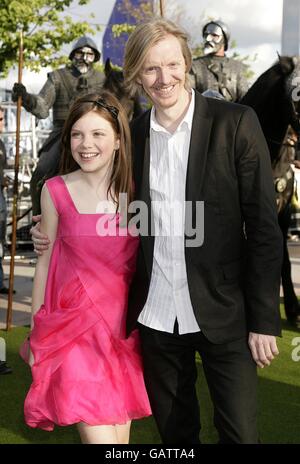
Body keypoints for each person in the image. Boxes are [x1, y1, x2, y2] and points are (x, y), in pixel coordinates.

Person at [32, 18, 283, 444]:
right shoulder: (131, 140)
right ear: (136, 74)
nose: (163, 78)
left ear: (187, 64)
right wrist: (48, 233)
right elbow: (89, 197)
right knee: (175, 437)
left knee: (240, 434)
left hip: (225, 313)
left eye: (171, 65)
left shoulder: (236, 123)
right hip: (153, 319)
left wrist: (264, 320)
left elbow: (262, 226)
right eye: (150, 68)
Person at [21, 91, 151, 444]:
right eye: (77, 134)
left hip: (124, 336)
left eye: (97, 134)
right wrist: (36, 332)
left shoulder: (140, 195)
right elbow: (44, 262)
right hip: (73, 335)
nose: (86, 144)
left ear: (119, 141)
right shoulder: (54, 191)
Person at [12, 36, 105, 216]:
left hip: (96, 134)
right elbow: (42, 108)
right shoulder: (57, 77)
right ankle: (39, 220)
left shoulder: (103, 79)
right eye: (80, 53)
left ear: (95, 57)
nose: (85, 58)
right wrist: (26, 98)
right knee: (40, 173)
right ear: (72, 55)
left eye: (89, 54)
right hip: (62, 134)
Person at [191, 19, 249, 102]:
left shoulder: (237, 67)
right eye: (206, 35)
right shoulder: (195, 66)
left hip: (231, 113)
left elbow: (245, 100)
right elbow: (189, 98)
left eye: (214, 35)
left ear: (224, 39)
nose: (208, 39)